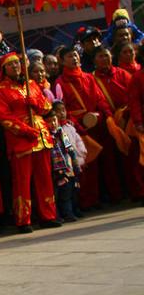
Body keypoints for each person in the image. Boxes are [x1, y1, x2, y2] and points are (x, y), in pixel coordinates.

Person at [0, 53, 60, 233]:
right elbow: (2, 117)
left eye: (17, 63)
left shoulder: (31, 84)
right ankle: (24, 219)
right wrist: (24, 130)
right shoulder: (0, 90)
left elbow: (47, 107)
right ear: (4, 69)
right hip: (21, 140)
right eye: (11, 64)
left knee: (45, 178)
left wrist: (35, 102)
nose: (15, 67)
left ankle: (48, 216)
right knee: (22, 181)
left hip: (41, 136)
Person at [56, 44, 116, 209]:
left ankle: (113, 195)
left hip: (97, 123)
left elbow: (100, 99)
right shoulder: (61, 82)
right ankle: (88, 201)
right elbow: (63, 110)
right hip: (78, 129)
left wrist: (107, 115)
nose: (74, 58)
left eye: (75, 55)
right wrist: (79, 126)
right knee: (86, 166)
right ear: (62, 61)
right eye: (69, 56)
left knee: (108, 161)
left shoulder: (88, 77)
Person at [92, 45, 144, 202]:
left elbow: (131, 98)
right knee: (117, 161)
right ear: (94, 60)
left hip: (126, 118)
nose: (105, 59)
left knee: (132, 157)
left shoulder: (123, 74)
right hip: (108, 122)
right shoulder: (92, 78)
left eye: (106, 56)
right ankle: (127, 193)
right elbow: (98, 100)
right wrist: (112, 117)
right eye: (101, 56)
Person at [48, 104, 82, 223]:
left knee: (67, 191)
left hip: (65, 167)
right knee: (56, 194)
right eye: (50, 121)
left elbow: (69, 147)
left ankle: (69, 213)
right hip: (53, 169)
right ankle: (57, 215)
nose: (53, 123)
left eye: (54, 121)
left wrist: (74, 160)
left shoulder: (61, 132)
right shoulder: (46, 135)